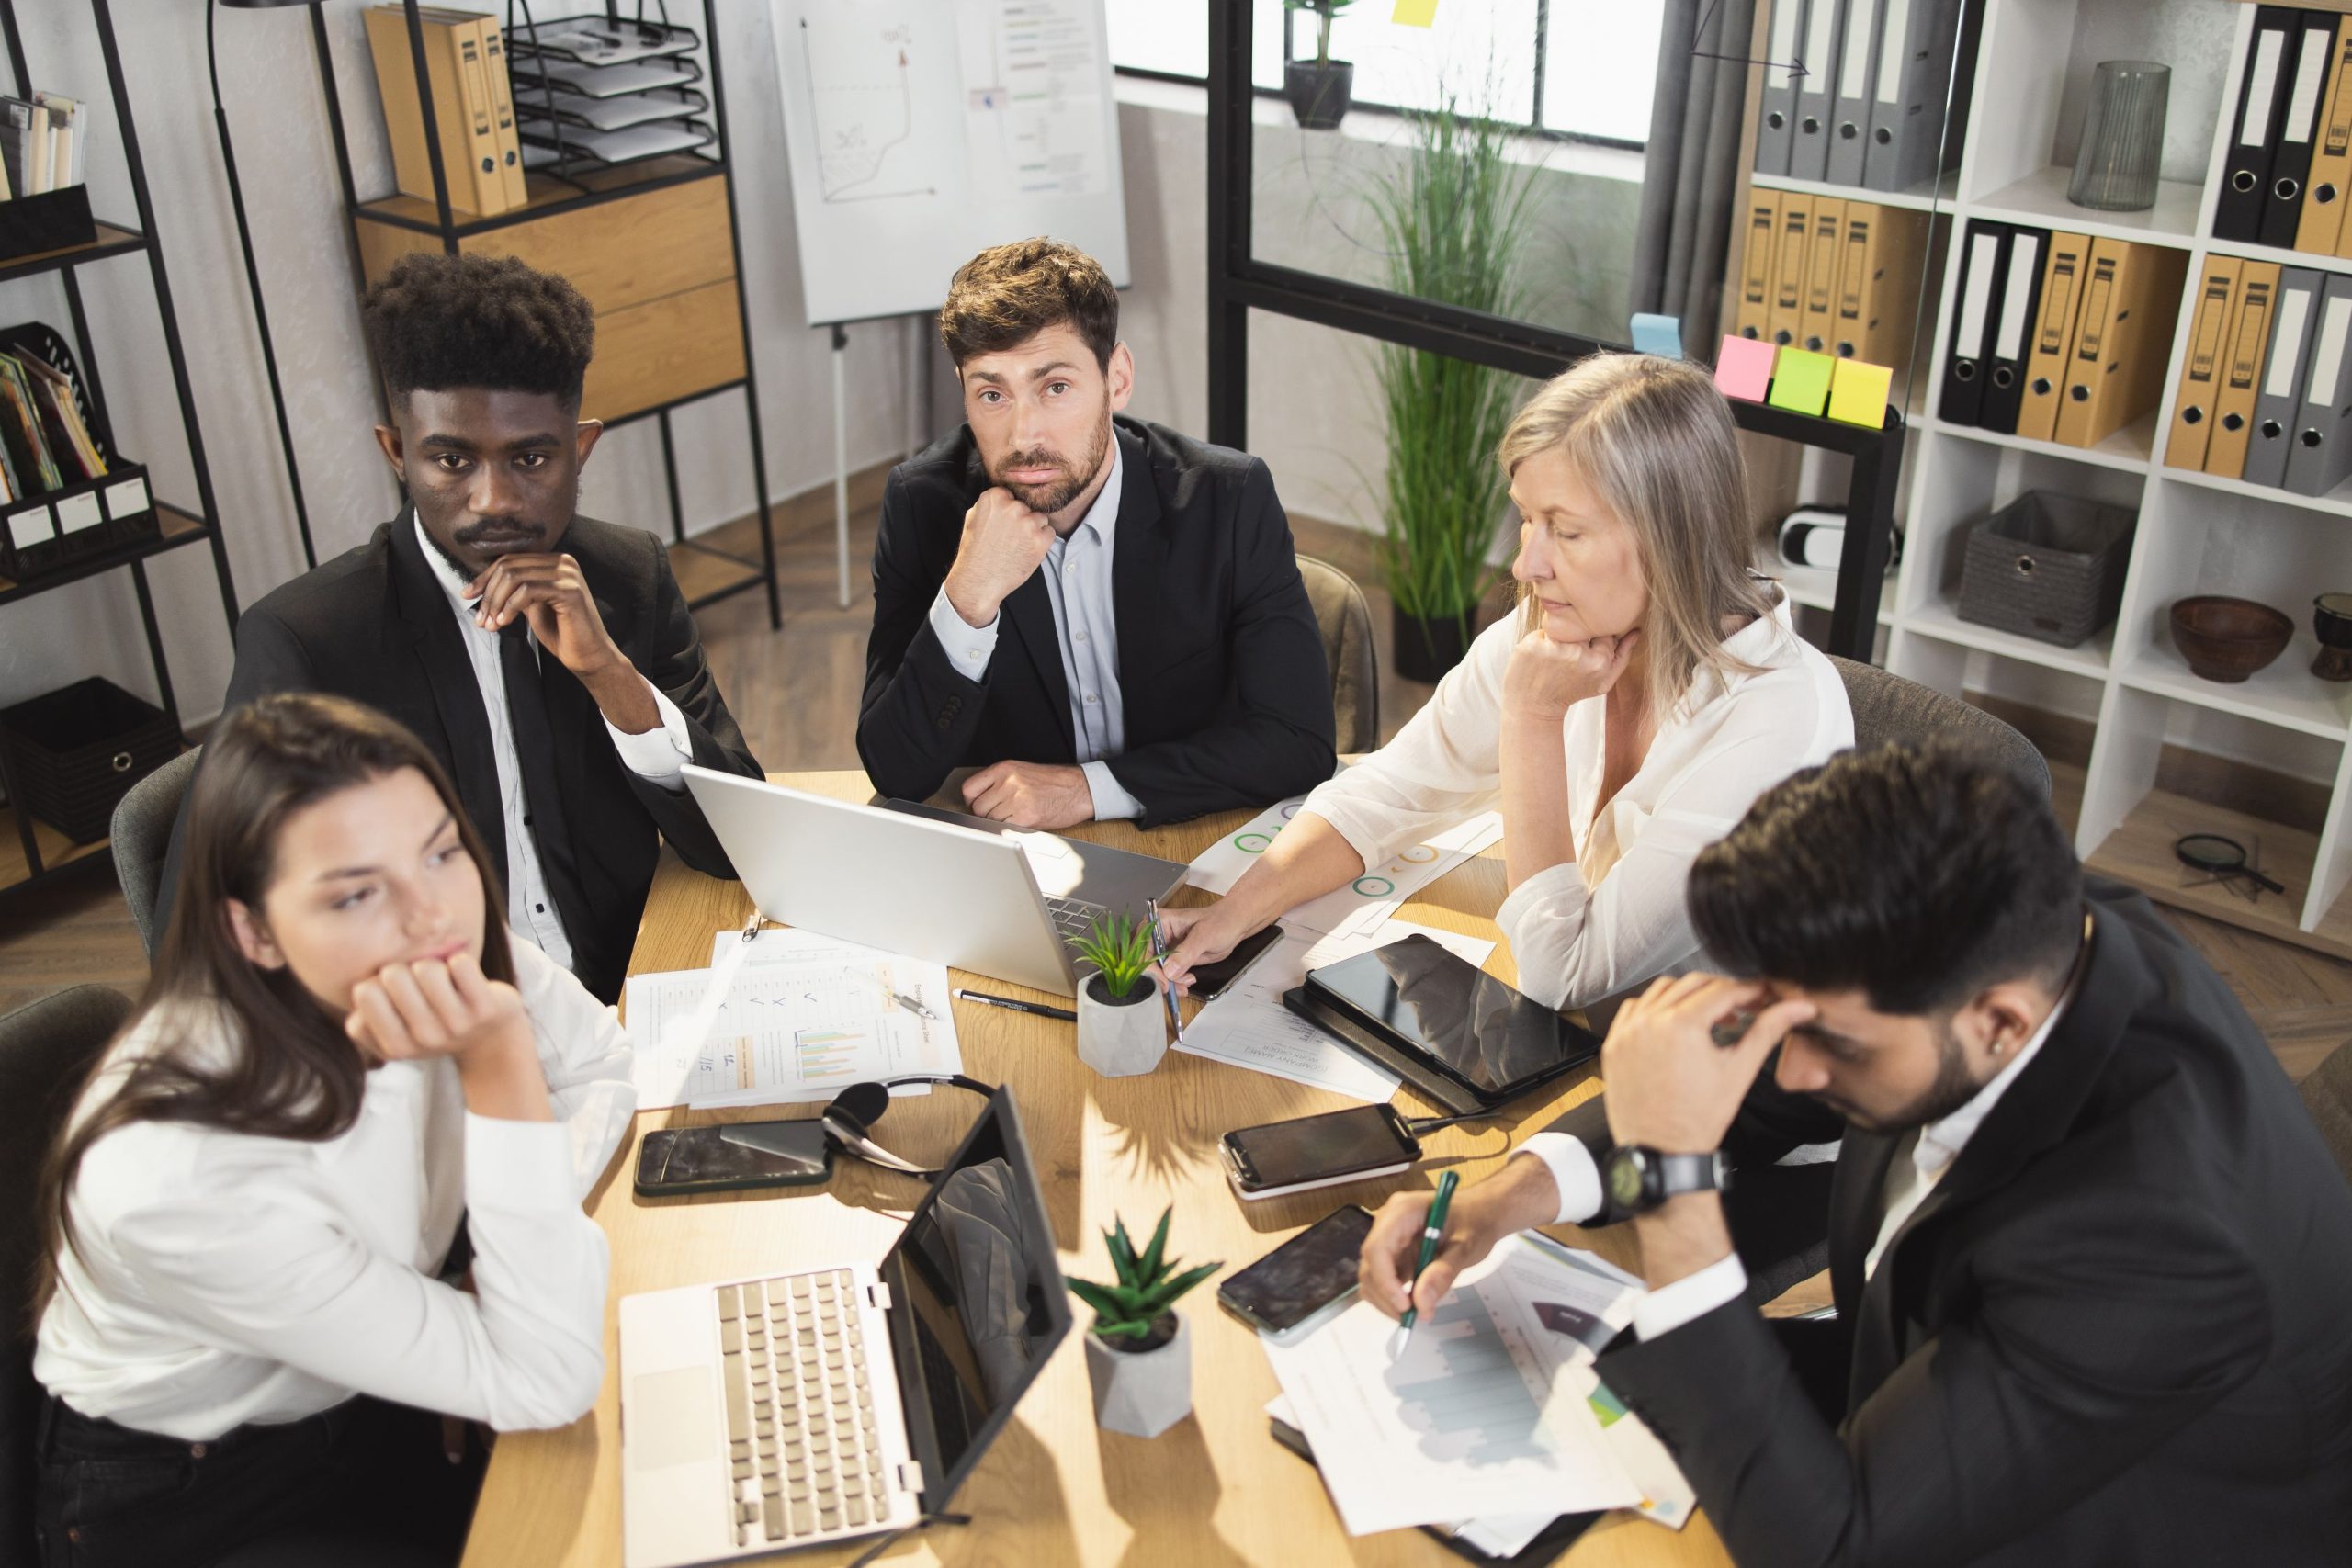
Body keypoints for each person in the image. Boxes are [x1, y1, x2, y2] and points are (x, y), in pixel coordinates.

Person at [1361, 740, 2352, 1565]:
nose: (1784, 1072)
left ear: (1999, 1023)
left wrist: (1672, 1188)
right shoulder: (2011, 929)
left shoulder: (2164, 1240)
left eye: (1828, 1041)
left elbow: (1833, 1550)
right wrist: (1516, 1195)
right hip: (1929, 1359)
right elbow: (1744, 1096)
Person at [32, 694, 637, 1568]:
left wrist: (488, 1275)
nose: (430, 914)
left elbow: (602, 1066)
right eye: (354, 893)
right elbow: (545, 1376)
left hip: (358, 1371)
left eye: (442, 850)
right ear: (253, 931)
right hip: (204, 1484)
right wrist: (499, 1059)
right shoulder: (175, 1176)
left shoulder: (422, 931)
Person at [1160, 352, 1853, 1013]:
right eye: (1527, 518)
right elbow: (1389, 791)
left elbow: (1565, 971)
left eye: (1566, 531)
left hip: (1713, 1095)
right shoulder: (1561, 632)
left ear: (1672, 537)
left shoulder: (1776, 724)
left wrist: (1530, 718)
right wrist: (1236, 911)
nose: (1527, 564)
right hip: (1582, 1031)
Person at [158, 251, 762, 1003]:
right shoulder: (307, 640)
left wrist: (612, 676)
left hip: (636, 989)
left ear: (581, 450)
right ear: (397, 455)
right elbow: (201, 926)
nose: (492, 502)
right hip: (433, 1028)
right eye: (450, 460)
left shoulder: (628, 576)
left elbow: (740, 842)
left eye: (531, 457)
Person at [856, 238, 1335, 828]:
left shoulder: (1228, 498)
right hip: (1024, 857)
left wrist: (1089, 790)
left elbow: (1299, 744)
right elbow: (896, 771)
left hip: (1192, 831)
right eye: (992, 394)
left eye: (1055, 387)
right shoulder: (922, 505)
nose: (1024, 432)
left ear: (1117, 378)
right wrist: (969, 598)